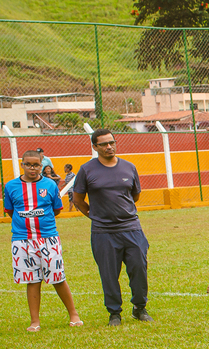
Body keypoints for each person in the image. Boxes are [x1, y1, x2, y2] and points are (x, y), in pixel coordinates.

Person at [71, 129, 153, 326]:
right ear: (94, 147)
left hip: (131, 228)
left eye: (112, 142)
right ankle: (114, 313)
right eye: (104, 144)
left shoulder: (129, 167)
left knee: (139, 268)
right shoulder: (86, 170)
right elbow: (78, 199)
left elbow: (134, 196)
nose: (109, 147)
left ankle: (139, 308)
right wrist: (94, 215)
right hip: (103, 232)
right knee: (108, 273)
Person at [5, 150, 82, 331]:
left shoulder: (50, 185)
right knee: (32, 280)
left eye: (36, 165)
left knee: (57, 277)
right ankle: (35, 321)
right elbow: (10, 211)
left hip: (48, 238)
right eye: (29, 164)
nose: (33, 168)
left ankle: (74, 314)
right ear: (22, 164)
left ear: (42, 165)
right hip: (22, 240)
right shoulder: (10, 186)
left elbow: (56, 210)